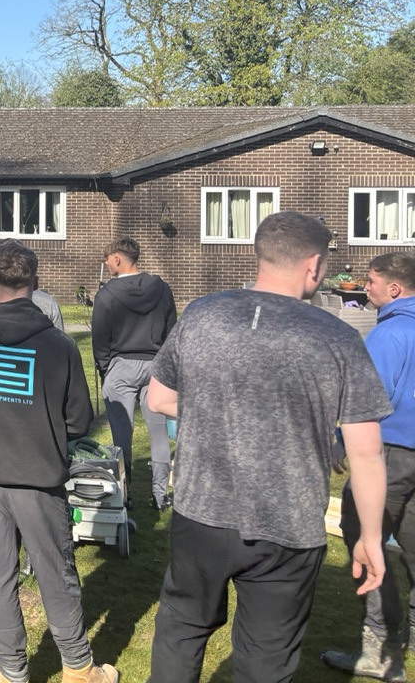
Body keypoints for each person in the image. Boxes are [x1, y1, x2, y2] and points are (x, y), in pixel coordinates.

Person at [145, 211, 391, 683]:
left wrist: (220, 412)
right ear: (314, 265)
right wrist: (371, 538)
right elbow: (365, 453)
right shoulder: (338, 337)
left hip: (202, 512)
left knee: (182, 629)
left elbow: (159, 398)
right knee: (266, 659)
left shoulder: (202, 313)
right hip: (289, 523)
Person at [0, 240, 117, 683]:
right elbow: (79, 419)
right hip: (38, 477)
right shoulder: (58, 346)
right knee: (55, 573)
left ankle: (11, 673)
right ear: (36, 284)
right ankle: (79, 670)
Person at [322, 251, 415, 682]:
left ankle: (381, 647)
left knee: (364, 537)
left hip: (391, 452)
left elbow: (366, 401)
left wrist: (342, 439)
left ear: (394, 288)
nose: (365, 287)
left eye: (371, 281)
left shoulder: (389, 334)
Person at [91, 237, 177, 510]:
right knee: (159, 431)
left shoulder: (107, 295)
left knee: (122, 434)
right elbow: (172, 330)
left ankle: (124, 495)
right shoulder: (162, 289)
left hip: (121, 365)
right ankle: (160, 495)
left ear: (117, 259)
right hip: (155, 364)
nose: (106, 264)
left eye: (107, 259)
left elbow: (100, 338)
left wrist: (106, 367)